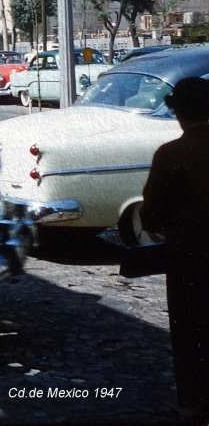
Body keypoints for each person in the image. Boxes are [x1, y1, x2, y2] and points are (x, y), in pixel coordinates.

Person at [140, 76, 209, 426]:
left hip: (190, 258)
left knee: (190, 331)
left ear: (177, 112)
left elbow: (151, 213)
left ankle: (197, 403)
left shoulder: (170, 155)